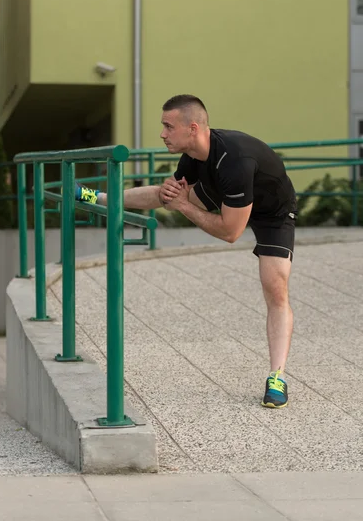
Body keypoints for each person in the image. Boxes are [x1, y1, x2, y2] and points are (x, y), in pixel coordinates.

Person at [76, 94, 297, 409]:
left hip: (273, 212)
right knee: (164, 193)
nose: (163, 134)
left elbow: (230, 232)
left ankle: (277, 376)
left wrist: (182, 205)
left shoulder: (235, 160)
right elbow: (171, 195)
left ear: (192, 128)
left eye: (168, 126)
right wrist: (173, 195)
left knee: (275, 288)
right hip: (227, 196)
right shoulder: (192, 156)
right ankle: (95, 195)